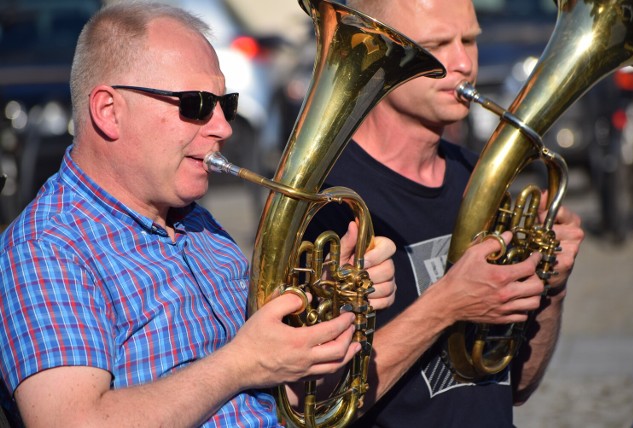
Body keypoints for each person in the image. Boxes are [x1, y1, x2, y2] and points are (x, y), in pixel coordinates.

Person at [0, 2, 397, 427]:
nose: (223, 127)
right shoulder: (46, 247)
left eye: (226, 103)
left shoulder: (197, 223)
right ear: (108, 111)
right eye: (195, 104)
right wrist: (241, 363)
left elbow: (281, 399)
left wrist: (334, 310)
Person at [304, 0, 585, 426]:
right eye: (437, 45)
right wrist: (447, 304)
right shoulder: (327, 204)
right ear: (379, 54)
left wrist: (553, 290)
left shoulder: (480, 179)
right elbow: (316, 407)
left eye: (469, 39)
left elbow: (520, 384)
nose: (463, 63)